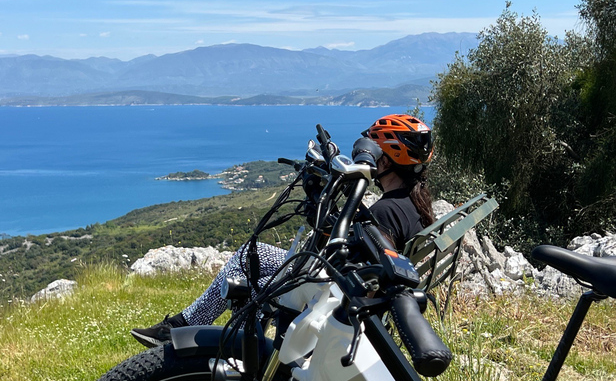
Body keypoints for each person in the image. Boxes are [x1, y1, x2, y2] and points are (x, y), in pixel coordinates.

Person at [130, 114, 435, 348]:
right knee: (255, 257)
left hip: (328, 293)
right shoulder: (411, 203)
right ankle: (189, 332)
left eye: (375, 151)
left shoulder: (387, 211)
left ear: (387, 159)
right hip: (335, 288)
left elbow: (357, 264)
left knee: (247, 273)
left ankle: (194, 338)